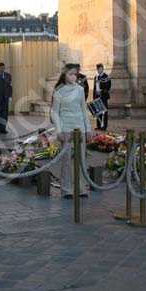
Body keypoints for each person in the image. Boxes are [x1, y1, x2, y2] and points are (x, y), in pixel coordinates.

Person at [51, 64, 91, 198]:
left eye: (75, 74)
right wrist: (58, 130)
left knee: (81, 158)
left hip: (79, 127)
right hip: (66, 127)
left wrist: (88, 130)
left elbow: (84, 111)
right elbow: (54, 112)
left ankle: (81, 187)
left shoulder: (80, 90)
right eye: (70, 74)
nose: (73, 76)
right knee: (67, 159)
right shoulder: (59, 91)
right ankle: (66, 189)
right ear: (64, 75)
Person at [0, 62, 12, 134]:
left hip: (5, 99)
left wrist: (10, 96)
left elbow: (10, 87)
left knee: (5, 114)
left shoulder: (8, 76)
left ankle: (3, 128)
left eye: (3, 68)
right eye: (1, 68)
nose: (2, 69)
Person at [92, 64, 112, 131]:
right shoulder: (96, 77)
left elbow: (108, 86)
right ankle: (99, 126)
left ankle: (104, 126)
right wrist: (94, 97)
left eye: (100, 68)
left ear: (103, 68)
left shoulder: (106, 76)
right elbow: (95, 87)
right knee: (98, 112)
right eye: (98, 69)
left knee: (104, 112)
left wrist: (102, 91)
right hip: (97, 97)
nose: (99, 70)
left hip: (104, 96)